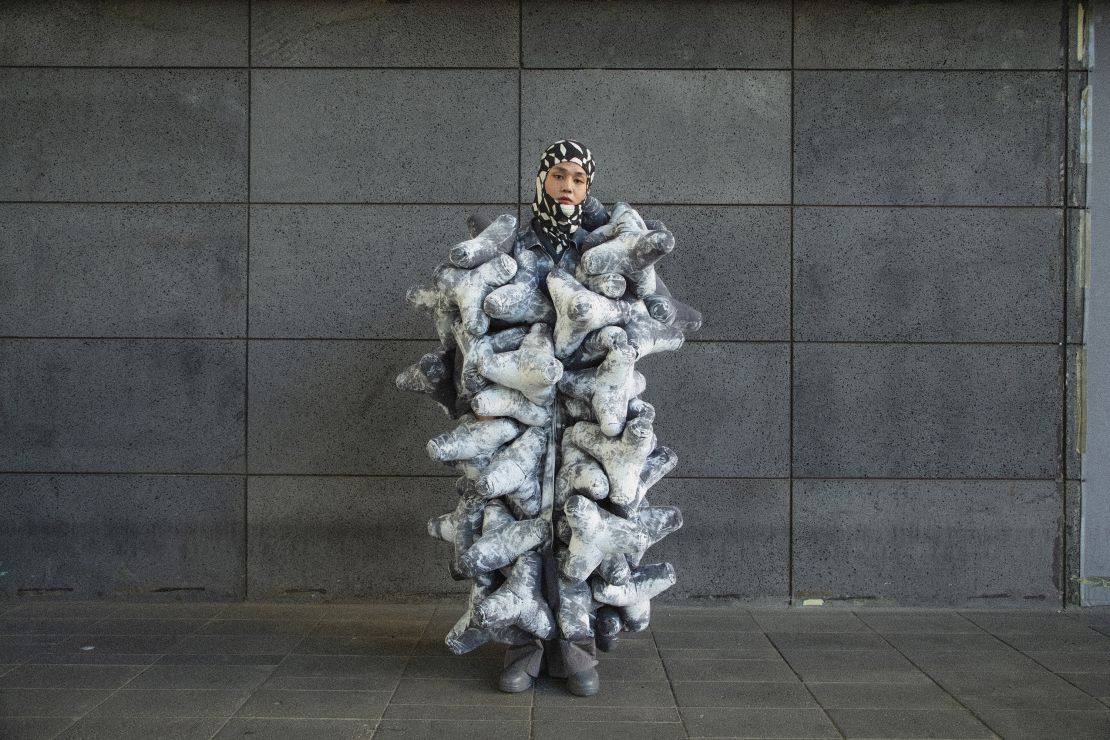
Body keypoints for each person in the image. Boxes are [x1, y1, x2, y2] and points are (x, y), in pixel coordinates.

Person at [495, 140, 605, 696]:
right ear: (542, 181)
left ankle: (577, 650)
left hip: (584, 417)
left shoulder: (601, 247)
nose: (568, 186)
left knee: (577, 527)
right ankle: (525, 646)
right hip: (524, 416)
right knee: (522, 524)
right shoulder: (516, 243)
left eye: (579, 180)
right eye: (559, 176)